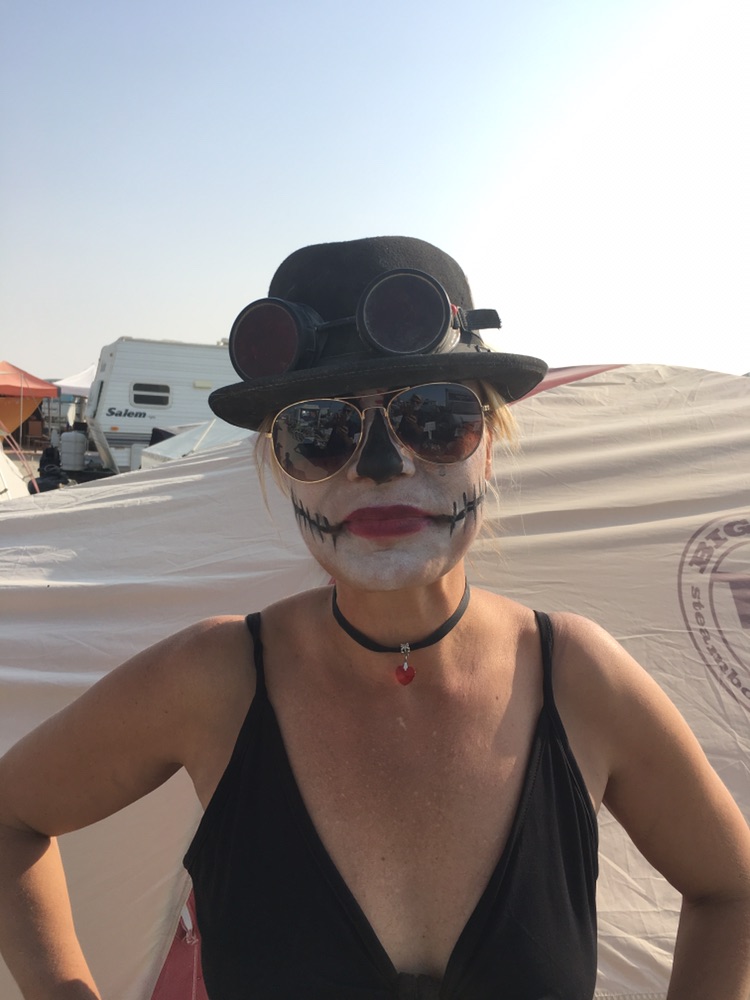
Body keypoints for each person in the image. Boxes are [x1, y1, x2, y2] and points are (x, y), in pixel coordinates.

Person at [0, 236, 748, 1000]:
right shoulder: (212, 682)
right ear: (280, 470)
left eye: (435, 419)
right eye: (319, 431)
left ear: (489, 449)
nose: (381, 466)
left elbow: (733, 890)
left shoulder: (578, 679)